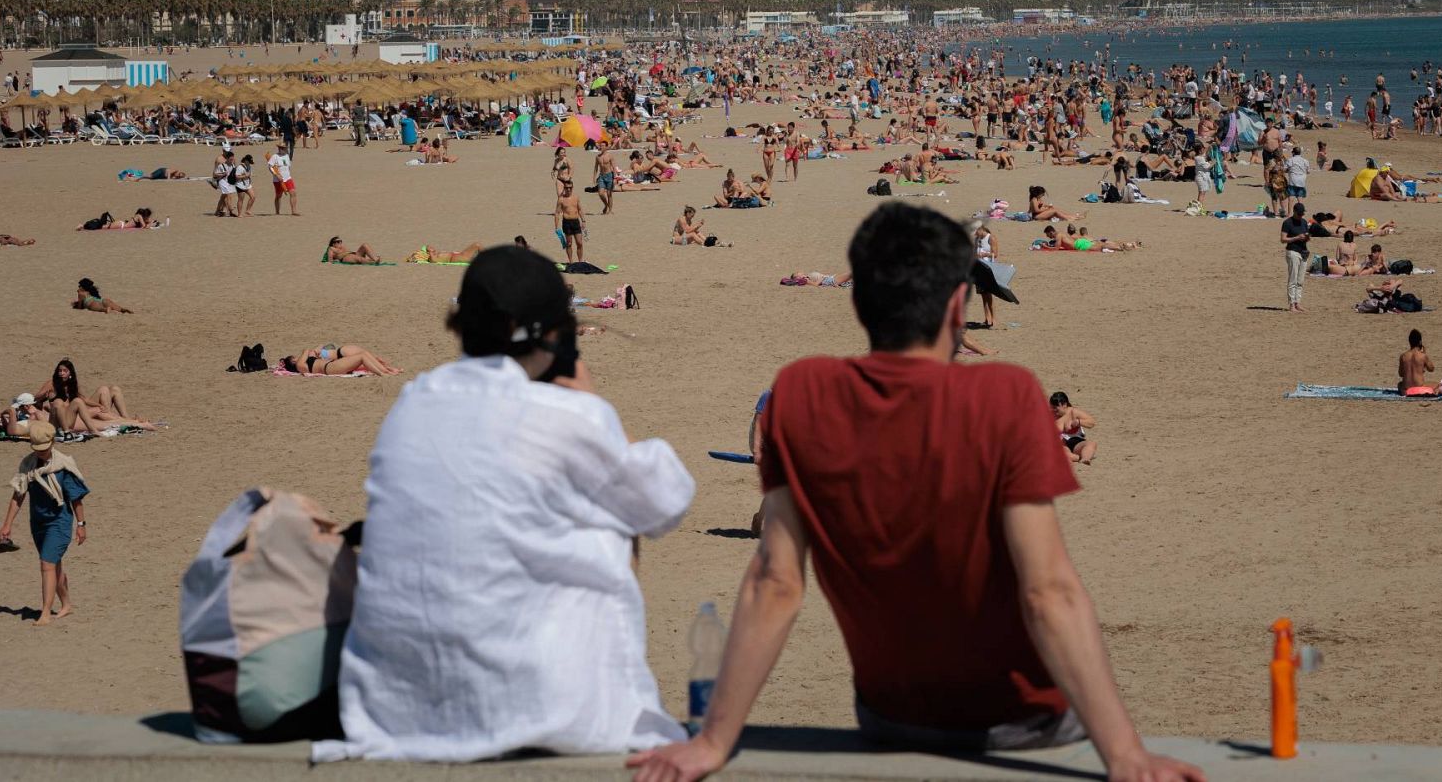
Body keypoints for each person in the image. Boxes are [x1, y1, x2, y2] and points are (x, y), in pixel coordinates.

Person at [628, 202, 1203, 782]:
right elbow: (1048, 591)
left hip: (892, 718)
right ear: (958, 302)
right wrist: (1126, 755)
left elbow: (774, 583)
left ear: (858, 302)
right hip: (1024, 725)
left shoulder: (801, 393)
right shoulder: (1006, 396)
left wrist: (713, 740)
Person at [314, 246, 694, 764]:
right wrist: (593, 404)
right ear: (549, 333)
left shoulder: (414, 400)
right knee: (616, 514)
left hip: (395, 711)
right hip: (545, 709)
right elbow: (665, 502)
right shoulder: (566, 413)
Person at [0, 421, 89, 626]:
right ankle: (66, 604)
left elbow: (76, 499)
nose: (41, 452)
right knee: (53, 566)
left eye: (44, 448)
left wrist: (81, 525)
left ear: (52, 443)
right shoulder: (28, 465)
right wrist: (7, 525)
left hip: (59, 522)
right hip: (38, 523)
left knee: (46, 564)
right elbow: (18, 496)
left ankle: (45, 612)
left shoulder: (63, 466)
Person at [280, 344, 401, 377]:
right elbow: (306, 350)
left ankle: (387, 370)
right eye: (294, 357)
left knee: (364, 354)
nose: (298, 357)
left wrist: (313, 352)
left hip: (332, 365)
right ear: (293, 362)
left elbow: (316, 349)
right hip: (330, 368)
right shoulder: (301, 366)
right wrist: (305, 352)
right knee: (362, 357)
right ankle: (383, 373)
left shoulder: (306, 361)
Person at [1050, 391, 1097, 465]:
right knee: (1061, 453)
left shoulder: (1073, 412)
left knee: (1091, 444)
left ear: (1064, 404)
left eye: (1056, 407)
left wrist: (1079, 422)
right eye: (1052, 407)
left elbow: (1092, 422)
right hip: (1062, 445)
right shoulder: (1051, 415)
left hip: (1076, 442)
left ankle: (1085, 458)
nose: (1053, 410)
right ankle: (1079, 458)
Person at [1281, 202, 1311, 313]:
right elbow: (1283, 239)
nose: (1301, 216)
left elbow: (1307, 236)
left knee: (1300, 280)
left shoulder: (1304, 222)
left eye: (1302, 214)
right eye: (1299, 214)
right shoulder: (1287, 223)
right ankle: (1291, 304)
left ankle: (1298, 303)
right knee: (1292, 279)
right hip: (1292, 251)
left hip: (1303, 252)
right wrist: (1297, 237)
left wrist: (1307, 238)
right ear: (1294, 212)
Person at [555, 178, 585, 263]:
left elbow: (580, 210)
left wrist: (583, 221)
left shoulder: (576, 197)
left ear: (572, 188)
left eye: (570, 188)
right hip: (567, 222)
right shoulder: (561, 199)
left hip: (576, 222)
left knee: (579, 243)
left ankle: (580, 261)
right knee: (569, 243)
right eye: (567, 188)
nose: (568, 189)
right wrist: (557, 226)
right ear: (564, 188)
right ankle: (571, 261)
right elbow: (557, 213)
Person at [1399, 329, 1436, 396]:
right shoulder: (1423, 356)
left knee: (1400, 384)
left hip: (1407, 388)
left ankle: (1407, 392)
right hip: (1419, 387)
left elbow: (1401, 374)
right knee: (1438, 385)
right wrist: (1425, 355)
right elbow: (1431, 369)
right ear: (1420, 342)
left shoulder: (1403, 356)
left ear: (1409, 342)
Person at [267, 142, 299, 216]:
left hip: (288, 178)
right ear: (278, 148)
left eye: (284, 148)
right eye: (281, 148)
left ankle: (294, 211)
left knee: (293, 193)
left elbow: (288, 167)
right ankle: (277, 211)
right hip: (278, 180)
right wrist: (276, 175)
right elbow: (270, 167)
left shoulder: (287, 156)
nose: (283, 149)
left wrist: (288, 174)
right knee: (278, 196)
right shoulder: (275, 156)